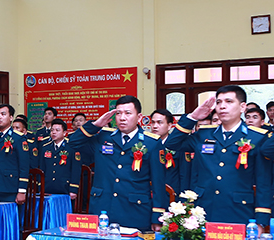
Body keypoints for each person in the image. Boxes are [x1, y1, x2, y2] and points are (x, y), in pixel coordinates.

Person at [68, 95, 202, 230]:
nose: (122, 118)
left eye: (128, 113)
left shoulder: (151, 143)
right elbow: (73, 142)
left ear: (139, 117)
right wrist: (95, 125)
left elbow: (158, 183)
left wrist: (157, 216)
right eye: (118, 113)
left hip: (135, 211)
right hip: (102, 209)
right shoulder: (103, 137)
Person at [179, 86, 272, 228]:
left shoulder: (257, 138)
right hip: (204, 210)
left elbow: (263, 182)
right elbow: (173, 143)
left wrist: (261, 221)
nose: (222, 106)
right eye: (218, 102)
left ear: (242, 107)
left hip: (239, 211)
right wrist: (193, 118)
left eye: (229, 101)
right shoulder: (204, 134)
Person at [0, 103, 30, 204]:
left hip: (10, 187)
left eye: (3, 114)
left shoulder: (18, 138)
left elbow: (24, 166)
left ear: (11, 118)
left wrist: (22, 190)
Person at [38, 119, 77, 198]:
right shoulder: (45, 147)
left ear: (64, 133)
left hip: (64, 187)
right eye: (52, 130)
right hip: (47, 187)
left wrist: (73, 189)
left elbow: (75, 170)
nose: (54, 132)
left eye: (57, 130)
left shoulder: (71, 147)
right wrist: (40, 186)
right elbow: (42, 168)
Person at [150, 108, 184, 195]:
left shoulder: (178, 145)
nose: (155, 126)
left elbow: (184, 174)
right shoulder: (146, 145)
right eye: (153, 122)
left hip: (171, 194)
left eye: (159, 122)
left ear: (169, 126)